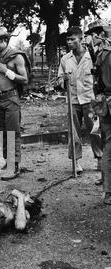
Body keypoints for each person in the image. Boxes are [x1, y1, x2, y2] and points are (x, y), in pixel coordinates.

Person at [58, 26, 103, 175]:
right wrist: (63, 80)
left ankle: (99, 158)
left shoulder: (92, 56)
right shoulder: (65, 59)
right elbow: (60, 80)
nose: (69, 42)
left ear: (81, 39)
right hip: (73, 101)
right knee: (74, 132)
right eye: (68, 39)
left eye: (73, 39)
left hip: (90, 100)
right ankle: (75, 161)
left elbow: (100, 77)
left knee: (94, 130)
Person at [0, 27, 29, 181]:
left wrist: (6, 71)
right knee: (4, 133)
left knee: (13, 133)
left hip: (11, 99)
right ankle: (8, 162)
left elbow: (25, 79)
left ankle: (15, 165)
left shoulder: (16, 57)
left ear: (4, 40)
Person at [85, 22, 111, 205]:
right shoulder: (104, 53)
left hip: (105, 102)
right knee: (108, 146)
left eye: (92, 35)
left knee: (108, 145)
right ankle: (108, 190)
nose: (90, 39)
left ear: (101, 34)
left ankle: (108, 190)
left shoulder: (103, 53)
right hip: (105, 102)